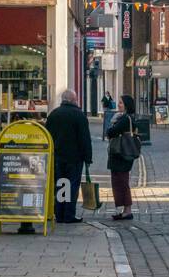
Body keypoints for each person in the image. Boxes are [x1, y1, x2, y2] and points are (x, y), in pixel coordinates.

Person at [46, 88, 93, 224]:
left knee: (60, 185)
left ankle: (59, 213)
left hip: (57, 157)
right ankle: (69, 215)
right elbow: (85, 138)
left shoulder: (53, 114)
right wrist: (88, 157)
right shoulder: (79, 115)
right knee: (72, 186)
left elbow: (48, 136)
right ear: (73, 100)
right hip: (74, 158)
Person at [104, 95, 139, 220]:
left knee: (122, 182)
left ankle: (127, 210)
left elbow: (110, 132)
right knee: (119, 181)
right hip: (120, 154)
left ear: (127, 105)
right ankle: (125, 209)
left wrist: (111, 129)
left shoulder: (125, 119)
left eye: (121, 103)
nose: (118, 104)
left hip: (122, 154)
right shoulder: (122, 117)